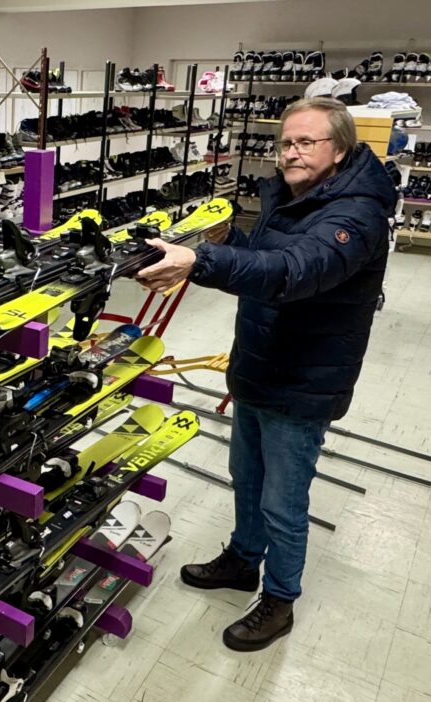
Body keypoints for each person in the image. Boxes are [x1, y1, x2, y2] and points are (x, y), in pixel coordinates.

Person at [137, 97, 396, 652]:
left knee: (283, 501)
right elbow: (264, 256)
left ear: (340, 149)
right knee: (247, 477)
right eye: (285, 142)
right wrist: (223, 241)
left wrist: (202, 262)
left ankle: (280, 600)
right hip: (260, 363)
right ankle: (242, 559)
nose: (291, 153)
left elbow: (294, 271)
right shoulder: (294, 194)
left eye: (306, 142)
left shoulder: (356, 214)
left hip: (303, 379)